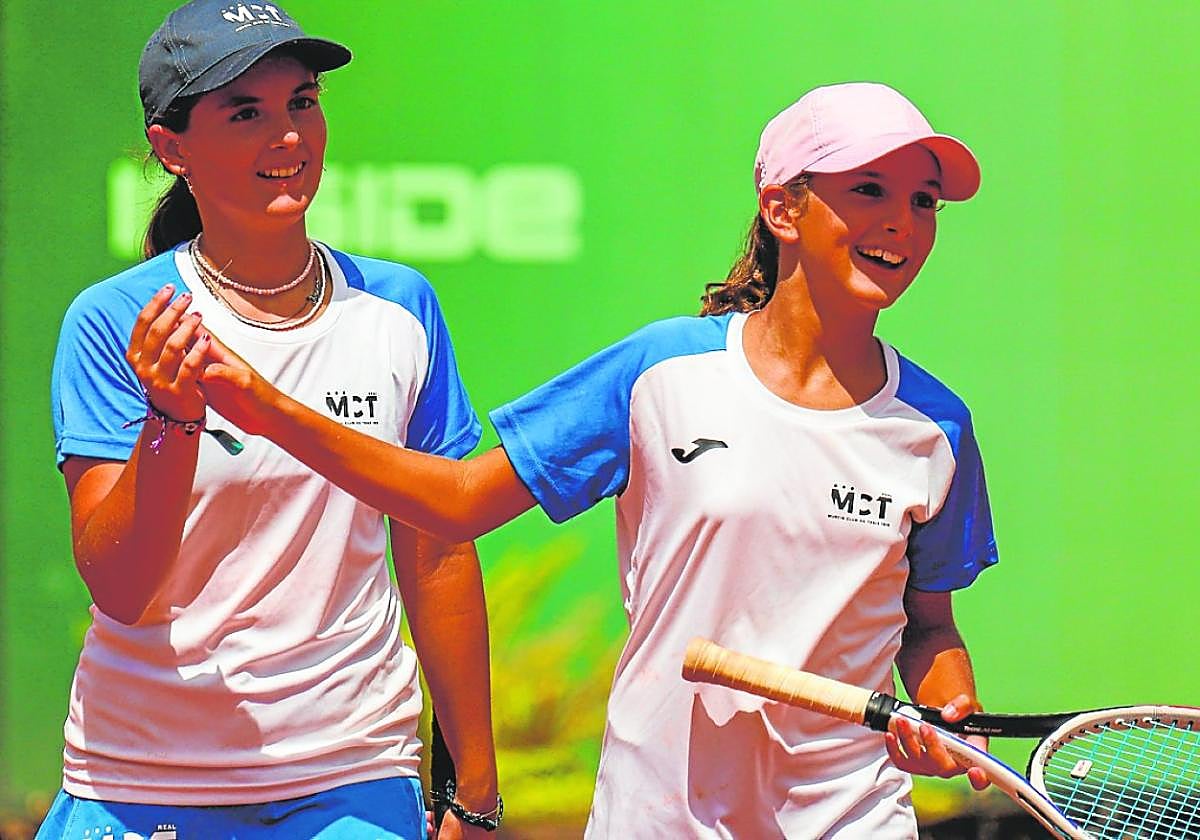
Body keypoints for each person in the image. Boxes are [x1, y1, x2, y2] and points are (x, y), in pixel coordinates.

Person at [190, 81, 997, 837]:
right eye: (869, 191)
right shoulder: (659, 375)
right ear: (783, 209)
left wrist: (946, 701)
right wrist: (271, 411)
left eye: (923, 201)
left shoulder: (937, 428)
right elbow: (460, 500)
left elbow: (928, 628)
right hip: (659, 818)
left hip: (851, 818)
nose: (903, 222)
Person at [44, 2, 499, 838]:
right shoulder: (117, 321)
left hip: (354, 771)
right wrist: (172, 423)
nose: (288, 136)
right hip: (142, 774)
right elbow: (121, 588)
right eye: (245, 112)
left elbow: (435, 550)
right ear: (170, 148)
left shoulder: (400, 308)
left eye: (303, 101)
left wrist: (475, 788)